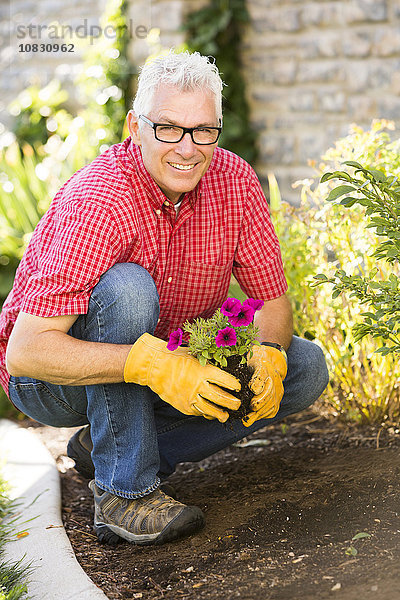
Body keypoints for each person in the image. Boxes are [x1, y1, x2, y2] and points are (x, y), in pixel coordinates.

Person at [0, 50, 329, 547]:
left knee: (305, 369)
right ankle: (124, 494)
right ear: (135, 126)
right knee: (126, 289)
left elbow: (272, 301)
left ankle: (110, 447)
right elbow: (28, 351)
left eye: (203, 130)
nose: (188, 148)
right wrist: (152, 365)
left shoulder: (235, 182)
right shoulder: (99, 200)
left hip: (169, 353)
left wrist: (270, 353)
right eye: (169, 128)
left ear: (218, 130)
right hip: (53, 379)